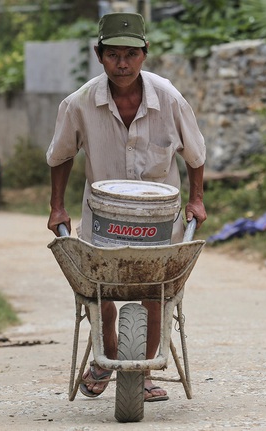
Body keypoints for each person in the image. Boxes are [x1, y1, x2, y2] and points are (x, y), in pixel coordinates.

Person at [46, 12, 207, 402]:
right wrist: (57, 207)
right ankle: (107, 356)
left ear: (144, 55)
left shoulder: (168, 98)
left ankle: (146, 368)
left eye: (130, 55)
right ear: (99, 55)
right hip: (103, 220)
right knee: (99, 288)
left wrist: (197, 199)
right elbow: (60, 156)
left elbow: (195, 155)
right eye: (113, 54)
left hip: (159, 222)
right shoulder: (79, 103)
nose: (122, 64)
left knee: (157, 291)